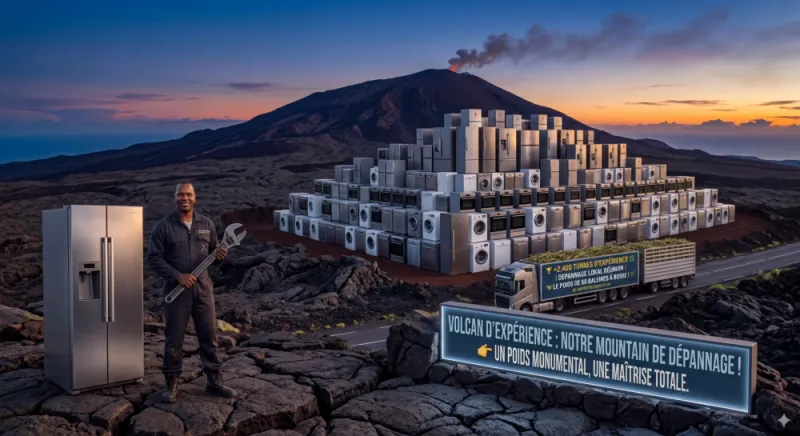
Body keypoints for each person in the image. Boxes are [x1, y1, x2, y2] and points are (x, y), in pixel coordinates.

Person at [146, 182, 236, 403]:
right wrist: (177, 276)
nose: (184, 198)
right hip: (177, 291)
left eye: (188, 194)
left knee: (209, 337)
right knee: (174, 340)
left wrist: (221, 256)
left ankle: (214, 381)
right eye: (180, 195)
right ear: (174, 198)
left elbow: (214, 255)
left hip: (203, 290)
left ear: (194, 197)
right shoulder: (163, 227)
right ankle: (171, 384)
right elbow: (154, 258)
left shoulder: (206, 224)